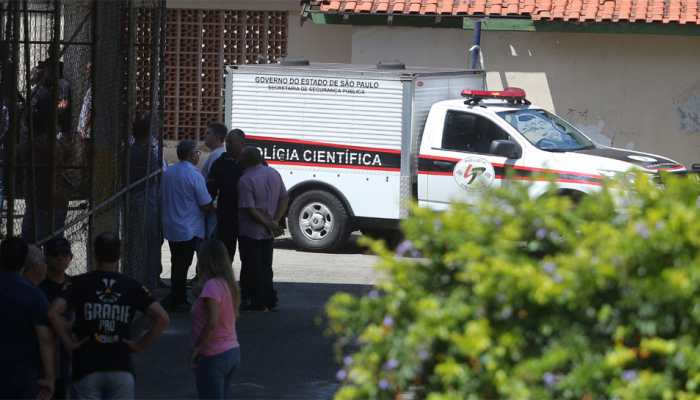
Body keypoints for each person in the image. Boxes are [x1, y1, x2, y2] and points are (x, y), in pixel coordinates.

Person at [48, 233, 170, 399]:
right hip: (120, 366)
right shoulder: (131, 285)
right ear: (119, 255)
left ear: (95, 254)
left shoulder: (79, 283)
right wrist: (140, 345)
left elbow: (53, 312)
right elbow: (162, 318)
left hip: (87, 366)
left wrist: (69, 343)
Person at [0, 236, 55, 399]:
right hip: (23, 377)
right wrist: (50, 378)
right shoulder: (34, 295)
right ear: (25, 263)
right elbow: (45, 339)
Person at [162, 140, 213, 311]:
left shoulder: (169, 172)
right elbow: (205, 203)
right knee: (183, 264)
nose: (199, 155)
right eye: (197, 152)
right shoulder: (194, 175)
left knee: (177, 262)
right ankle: (179, 299)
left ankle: (176, 296)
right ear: (192, 155)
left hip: (172, 226)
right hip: (188, 228)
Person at [237, 146, 288, 311]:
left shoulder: (245, 180)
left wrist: (269, 223)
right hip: (268, 232)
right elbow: (284, 198)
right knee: (266, 266)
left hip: (251, 231)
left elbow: (250, 209)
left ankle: (254, 300)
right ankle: (268, 298)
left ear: (245, 160)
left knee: (250, 267)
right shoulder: (273, 173)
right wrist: (275, 220)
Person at [191, 240, 241, 399]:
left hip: (213, 354)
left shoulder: (212, 286)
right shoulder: (228, 285)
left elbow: (212, 322)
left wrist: (197, 347)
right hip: (231, 350)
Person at [125, 113, 162, 289]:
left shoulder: (134, 150)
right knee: (145, 241)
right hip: (143, 199)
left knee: (139, 241)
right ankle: (144, 280)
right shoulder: (144, 152)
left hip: (139, 198)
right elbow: (156, 177)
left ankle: (144, 277)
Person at [40, 237, 74, 400]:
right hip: (46, 354)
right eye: (55, 254)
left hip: (70, 353)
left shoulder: (75, 285)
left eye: (65, 254)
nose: (61, 258)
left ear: (71, 257)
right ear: (46, 257)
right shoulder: (39, 288)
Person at [207, 129, 245, 261]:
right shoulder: (220, 162)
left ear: (241, 143)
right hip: (226, 216)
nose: (227, 145)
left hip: (248, 217)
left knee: (249, 257)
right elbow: (210, 189)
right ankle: (223, 281)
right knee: (225, 256)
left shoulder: (251, 161)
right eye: (227, 142)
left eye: (231, 142)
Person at [201, 122, 228, 238]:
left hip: (213, 209)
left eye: (208, 133)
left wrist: (212, 205)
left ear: (217, 137)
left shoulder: (217, 156)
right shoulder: (216, 154)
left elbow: (216, 183)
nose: (204, 136)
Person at [77, 63, 92, 140]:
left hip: (88, 132)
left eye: (88, 69)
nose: (86, 72)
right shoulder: (90, 88)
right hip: (85, 131)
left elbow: (92, 111)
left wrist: (84, 128)